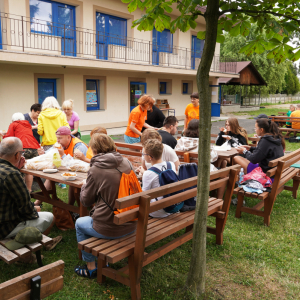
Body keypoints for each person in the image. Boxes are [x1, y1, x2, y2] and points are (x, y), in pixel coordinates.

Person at [75, 134, 136, 278]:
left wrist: (84, 186)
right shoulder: (127, 162)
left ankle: (91, 267)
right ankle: (102, 262)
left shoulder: (95, 169)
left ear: (94, 150)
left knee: (79, 223)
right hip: (132, 223)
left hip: (110, 228)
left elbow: (85, 201)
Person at [0, 137, 62, 263]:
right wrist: (34, 210)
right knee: (49, 217)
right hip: (4, 228)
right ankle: (27, 255)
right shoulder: (12, 174)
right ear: (17, 155)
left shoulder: (8, 171)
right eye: (21, 153)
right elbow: (26, 208)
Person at [3, 113, 43, 191]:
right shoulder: (27, 125)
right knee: (28, 169)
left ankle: (20, 189)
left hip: (23, 148)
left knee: (19, 168)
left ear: (13, 119)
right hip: (34, 148)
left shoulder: (13, 124)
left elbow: (9, 137)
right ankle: (29, 190)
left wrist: (3, 136)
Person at [142, 139, 177, 218]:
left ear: (150, 157)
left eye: (144, 154)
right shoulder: (171, 165)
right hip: (172, 205)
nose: (143, 155)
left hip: (158, 211)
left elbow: (143, 195)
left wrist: (144, 174)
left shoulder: (148, 173)